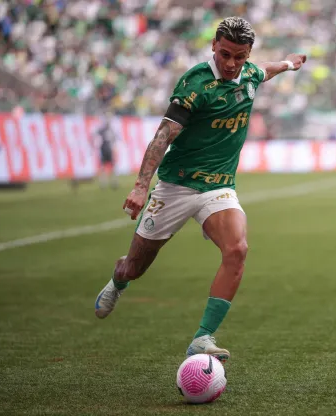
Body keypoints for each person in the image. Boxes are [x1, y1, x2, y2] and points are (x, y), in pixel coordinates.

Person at [94, 17, 306, 363]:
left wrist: (289, 63)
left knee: (237, 248)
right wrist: (140, 187)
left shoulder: (249, 74)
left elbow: (264, 70)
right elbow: (162, 136)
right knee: (134, 267)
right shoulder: (195, 84)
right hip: (176, 186)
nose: (231, 63)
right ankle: (119, 280)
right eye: (225, 54)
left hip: (218, 187)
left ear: (248, 53)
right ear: (213, 46)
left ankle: (202, 337)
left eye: (239, 56)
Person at [95, 112, 119, 189]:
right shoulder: (105, 130)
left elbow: (115, 140)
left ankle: (111, 182)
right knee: (107, 167)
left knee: (108, 167)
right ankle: (109, 183)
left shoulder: (104, 130)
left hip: (106, 150)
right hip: (106, 150)